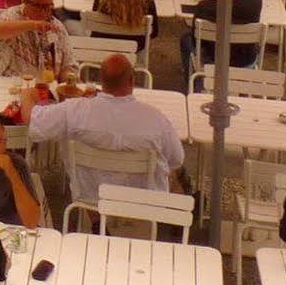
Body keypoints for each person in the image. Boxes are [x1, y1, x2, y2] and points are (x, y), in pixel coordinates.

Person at [19, 53, 185, 202]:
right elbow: (177, 159)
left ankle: (97, 222)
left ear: (101, 81)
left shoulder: (74, 111)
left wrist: (26, 95)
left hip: (90, 198)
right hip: (142, 203)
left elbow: (32, 120)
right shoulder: (156, 120)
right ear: (132, 81)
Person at [182, 0, 263, 78]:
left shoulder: (205, 8)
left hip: (215, 60)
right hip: (246, 61)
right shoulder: (256, 2)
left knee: (185, 39)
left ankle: (194, 82)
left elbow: (195, 39)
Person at [0, 0, 71, 80]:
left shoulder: (57, 27)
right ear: (25, 3)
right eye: (39, 7)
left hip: (44, 87)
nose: (44, 12)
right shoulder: (12, 15)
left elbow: (68, 65)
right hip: (7, 83)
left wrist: (69, 78)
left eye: (48, 7)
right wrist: (33, 25)